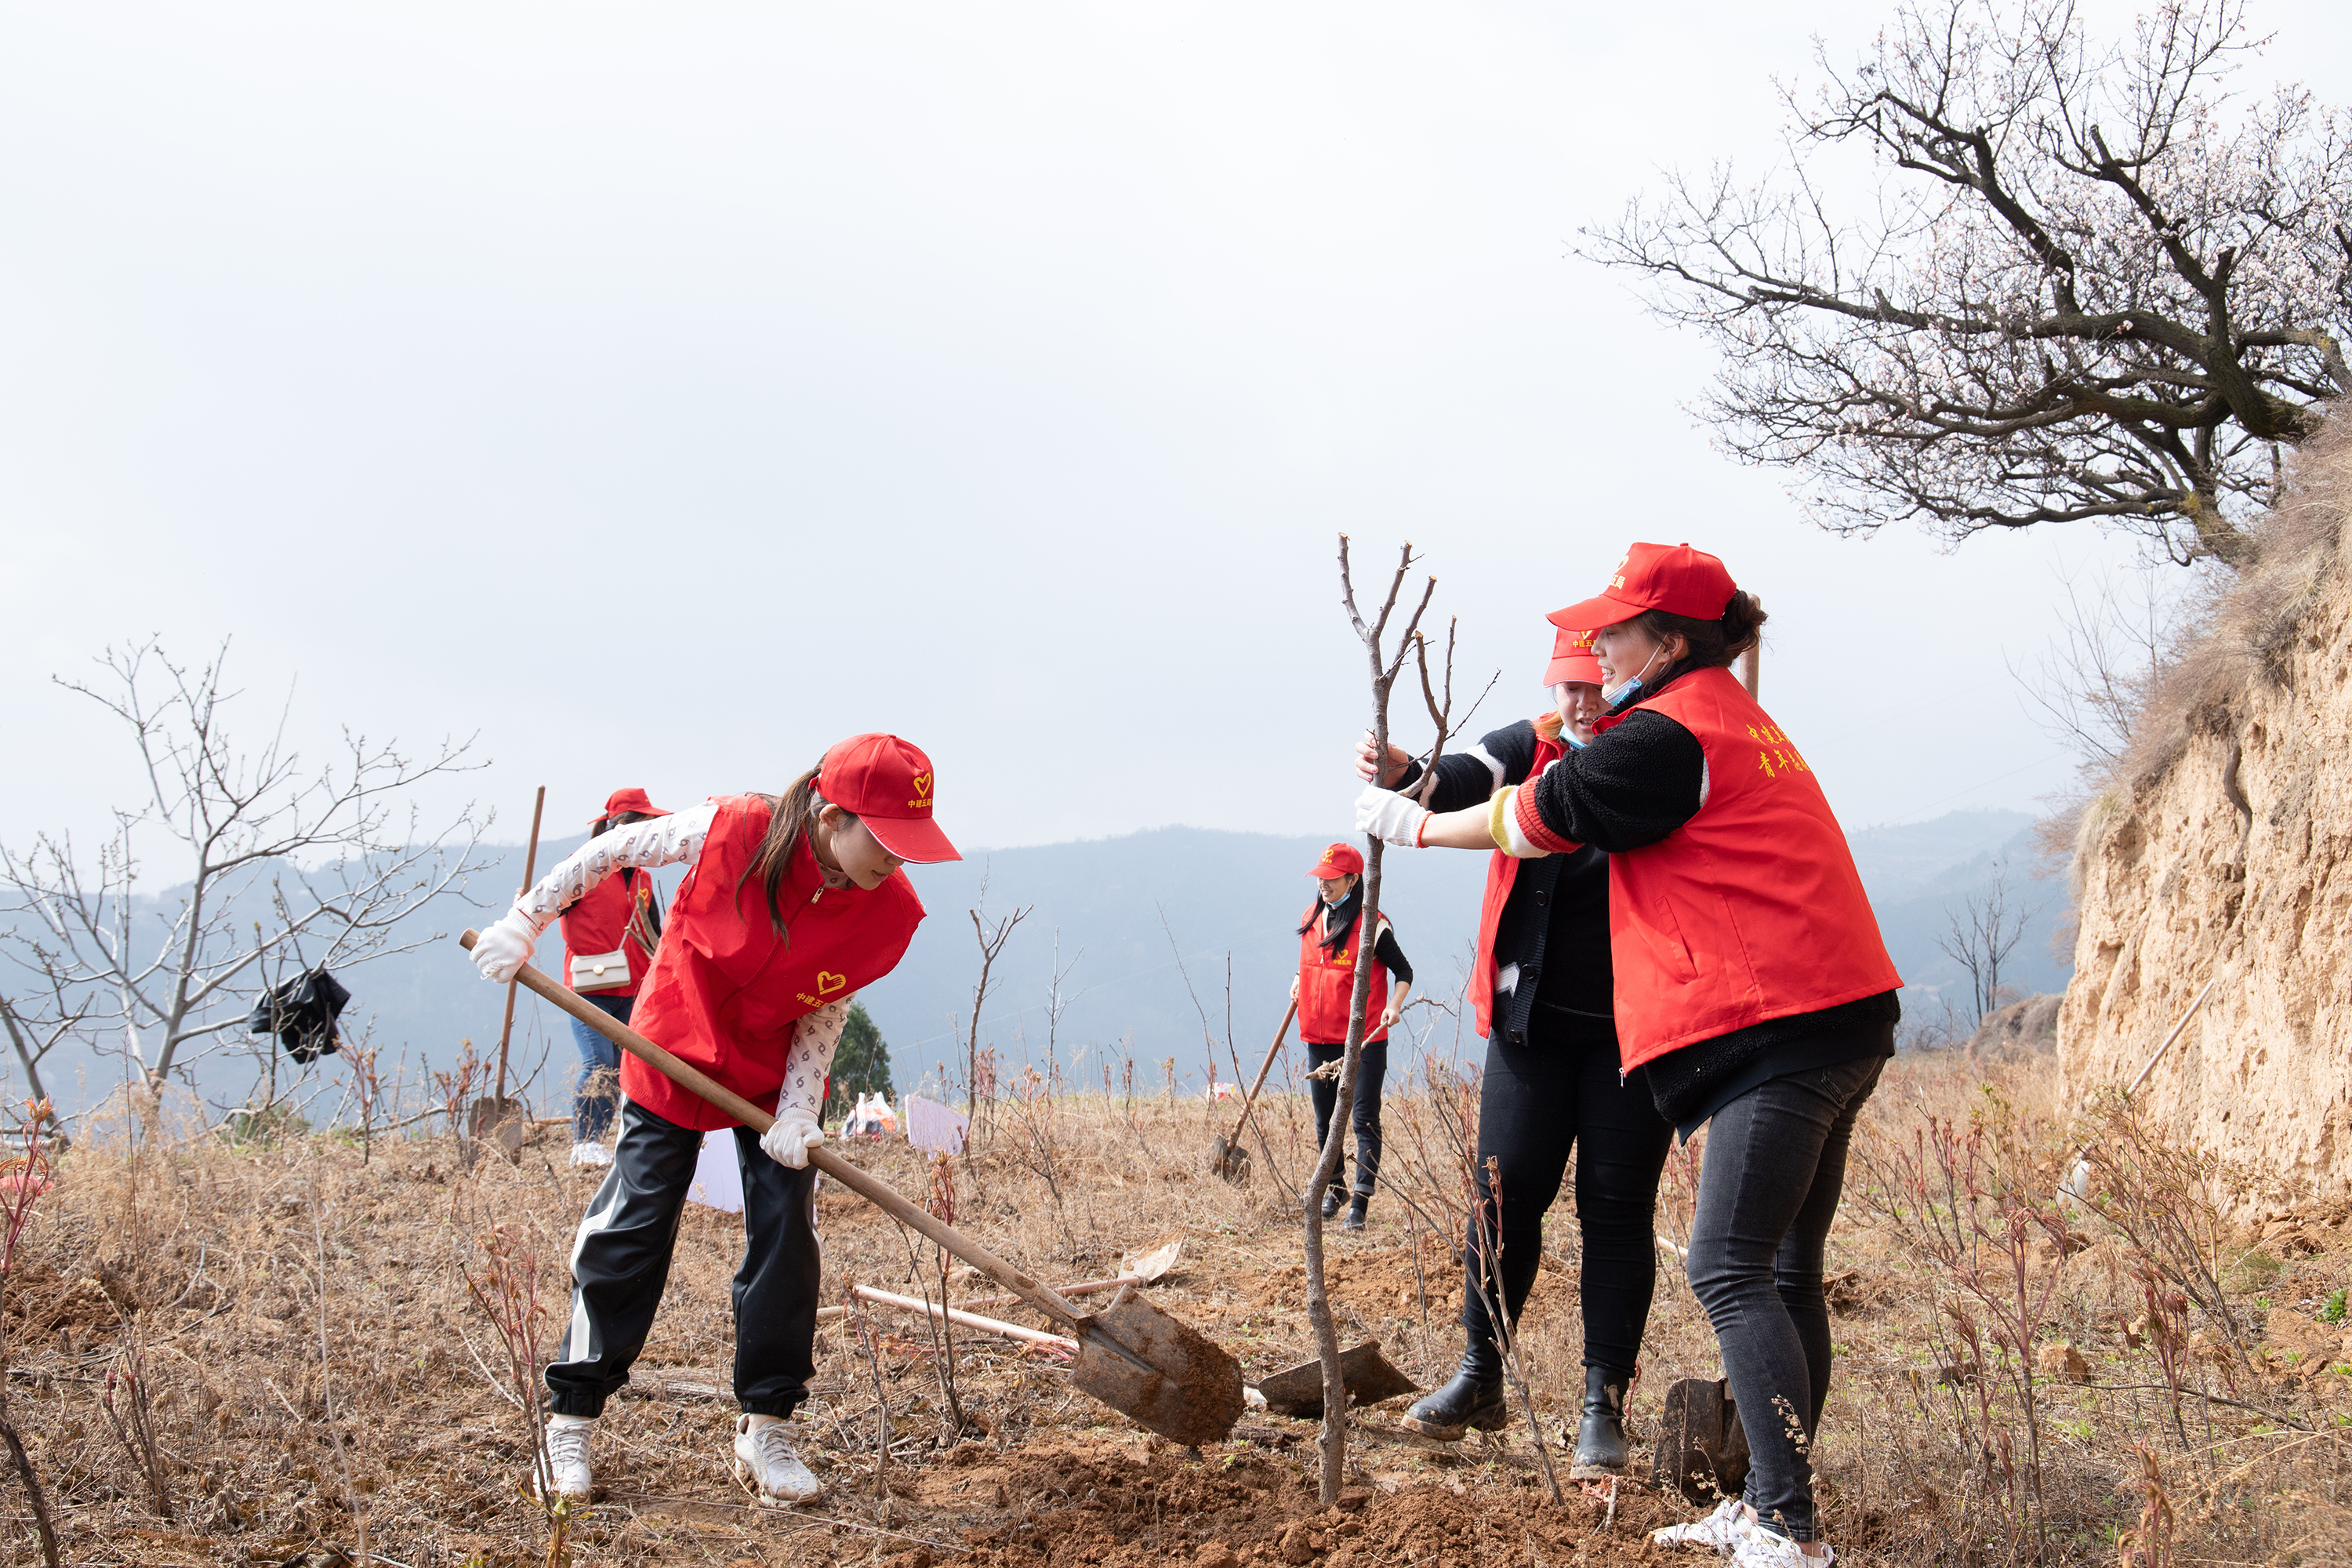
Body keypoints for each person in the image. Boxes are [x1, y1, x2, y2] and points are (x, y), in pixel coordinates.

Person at [1352, 543, 1900, 1566]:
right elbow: (1505, 760)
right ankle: (1774, 1505)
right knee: (1783, 1271)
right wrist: (1421, 784)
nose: (1598, 644)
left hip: (1781, 1025)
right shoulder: (1728, 717)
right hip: (1837, 1008)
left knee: (1729, 1266)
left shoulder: (1669, 731)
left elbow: (1541, 815)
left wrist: (1412, 830)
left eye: (1617, 629)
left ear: (1672, 638)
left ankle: (1786, 1525)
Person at [470, 734, 959, 1508]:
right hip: (671, 1042)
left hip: (768, 1076)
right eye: (886, 843)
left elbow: (824, 1004)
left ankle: (767, 1423)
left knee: (786, 1234)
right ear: (832, 817)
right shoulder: (735, 826)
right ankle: (569, 1418)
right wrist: (525, 919)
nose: (895, 865)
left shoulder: (886, 911)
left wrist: (799, 1108)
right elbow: (616, 851)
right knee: (635, 1221)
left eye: (909, 849)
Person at [1363, 626, 1673, 1479]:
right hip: (1527, 1018)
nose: (1580, 702)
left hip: (1631, 1027)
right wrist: (1403, 773)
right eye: (1566, 687)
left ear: (1621, 679)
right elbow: (1461, 777)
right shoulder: (1531, 744)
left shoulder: (1652, 751)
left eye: (1592, 685)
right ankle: (1480, 1373)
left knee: (1615, 1211)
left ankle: (1601, 1404)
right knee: (1503, 1198)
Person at [1289, 843, 1413, 1231]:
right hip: (1318, 1035)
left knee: (1362, 1118)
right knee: (1326, 1122)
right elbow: (1312, 964)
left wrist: (1394, 1006)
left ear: (1353, 879)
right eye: (1320, 878)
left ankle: (1360, 1201)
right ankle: (1336, 1186)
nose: (1323, 885)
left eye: (1331, 879)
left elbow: (1404, 971)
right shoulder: (1313, 916)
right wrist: (1298, 980)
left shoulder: (1372, 924)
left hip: (1362, 1041)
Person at [556, 788, 673, 1167]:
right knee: (598, 1062)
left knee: (629, 1065)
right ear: (622, 828)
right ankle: (585, 1142)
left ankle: (615, 1140)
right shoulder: (583, 867)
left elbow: (654, 930)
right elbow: (547, 903)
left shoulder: (640, 877)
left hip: (634, 987)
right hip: (588, 989)